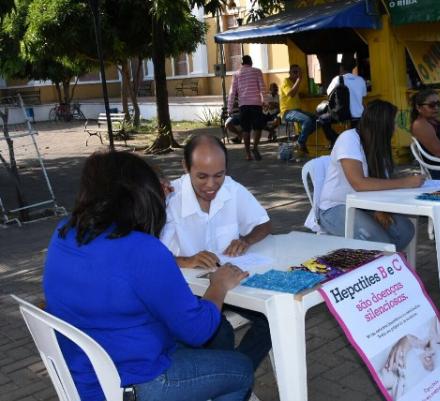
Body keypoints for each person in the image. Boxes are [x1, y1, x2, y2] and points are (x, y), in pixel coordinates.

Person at [44, 151, 254, 401]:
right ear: (141, 195)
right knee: (240, 369)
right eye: (158, 185)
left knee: (221, 334)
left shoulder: (65, 231)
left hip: (83, 371)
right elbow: (197, 331)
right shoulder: (142, 249)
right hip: (131, 382)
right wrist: (218, 285)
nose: (165, 190)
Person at [160, 134, 272, 372]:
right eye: (202, 176)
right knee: (219, 331)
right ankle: (232, 381)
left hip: (229, 285)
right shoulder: (170, 197)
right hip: (188, 291)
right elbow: (147, 256)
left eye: (218, 175)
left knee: (272, 319)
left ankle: (233, 380)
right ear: (185, 167)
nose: (211, 185)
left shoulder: (232, 189)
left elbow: (263, 223)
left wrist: (246, 240)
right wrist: (186, 260)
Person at [317, 100, 425, 251]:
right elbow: (359, 183)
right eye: (393, 123)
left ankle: (384, 260)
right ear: (382, 125)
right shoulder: (349, 138)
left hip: (364, 204)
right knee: (378, 242)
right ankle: (381, 262)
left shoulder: (377, 144)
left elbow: (381, 182)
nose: (395, 128)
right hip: (335, 208)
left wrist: (380, 208)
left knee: (405, 231)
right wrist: (405, 182)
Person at [318, 57, 367, 148]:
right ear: (353, 67)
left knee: (322, 119)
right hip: (359, 117)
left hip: (342, 115)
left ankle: (335, 139)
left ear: (341, 67)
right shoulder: (361, 80)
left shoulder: (338, 79)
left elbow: (328, 94)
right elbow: (363, 98)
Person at [228, 55, 267, 161]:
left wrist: (229, 108)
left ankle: (248, 154)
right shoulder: (257, 71)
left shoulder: (236, 74)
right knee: (257, 127)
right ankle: (255, 147)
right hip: (256, 104)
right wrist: (265, 101)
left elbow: (232, 92)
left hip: (243, 105)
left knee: (246, 130)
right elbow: (262, 87)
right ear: (251, 62)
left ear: (242, 64)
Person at [280, 64, 316, 160]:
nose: (297, 74)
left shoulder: (295, 82)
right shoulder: (285, 81)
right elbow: (291, 94)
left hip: (297, 111)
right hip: (287, 112)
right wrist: (299, 79)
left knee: (317, 119)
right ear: (290, 73)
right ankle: (301, 142)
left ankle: (301, 139)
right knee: (307, 120)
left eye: (298, 72)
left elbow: (295, 93)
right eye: (295, 72)